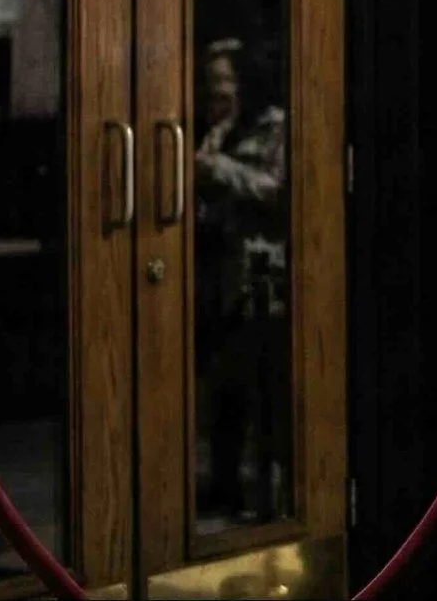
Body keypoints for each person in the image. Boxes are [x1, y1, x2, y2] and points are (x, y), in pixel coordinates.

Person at [192, 37, 290, 522]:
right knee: (224, 390)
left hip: (265, 280)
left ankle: (272, 498)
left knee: (265, 392)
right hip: (223, 278)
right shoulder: (223, 128)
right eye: (211, 84)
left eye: (224, 81)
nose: (218, 91)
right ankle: (226, 486)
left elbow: (278, 189)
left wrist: (219, 168)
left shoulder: (277, 127)